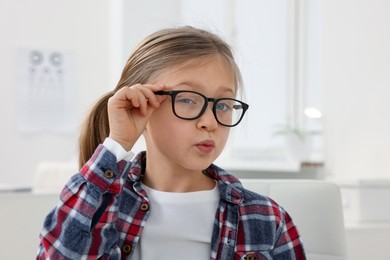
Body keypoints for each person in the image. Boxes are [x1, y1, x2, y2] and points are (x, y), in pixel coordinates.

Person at [37, 26, 306, 260]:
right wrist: (117, 144)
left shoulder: (266, 218)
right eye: (188, 99)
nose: (210, 122)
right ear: (140, 102)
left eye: (223, 104)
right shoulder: (104, 206)